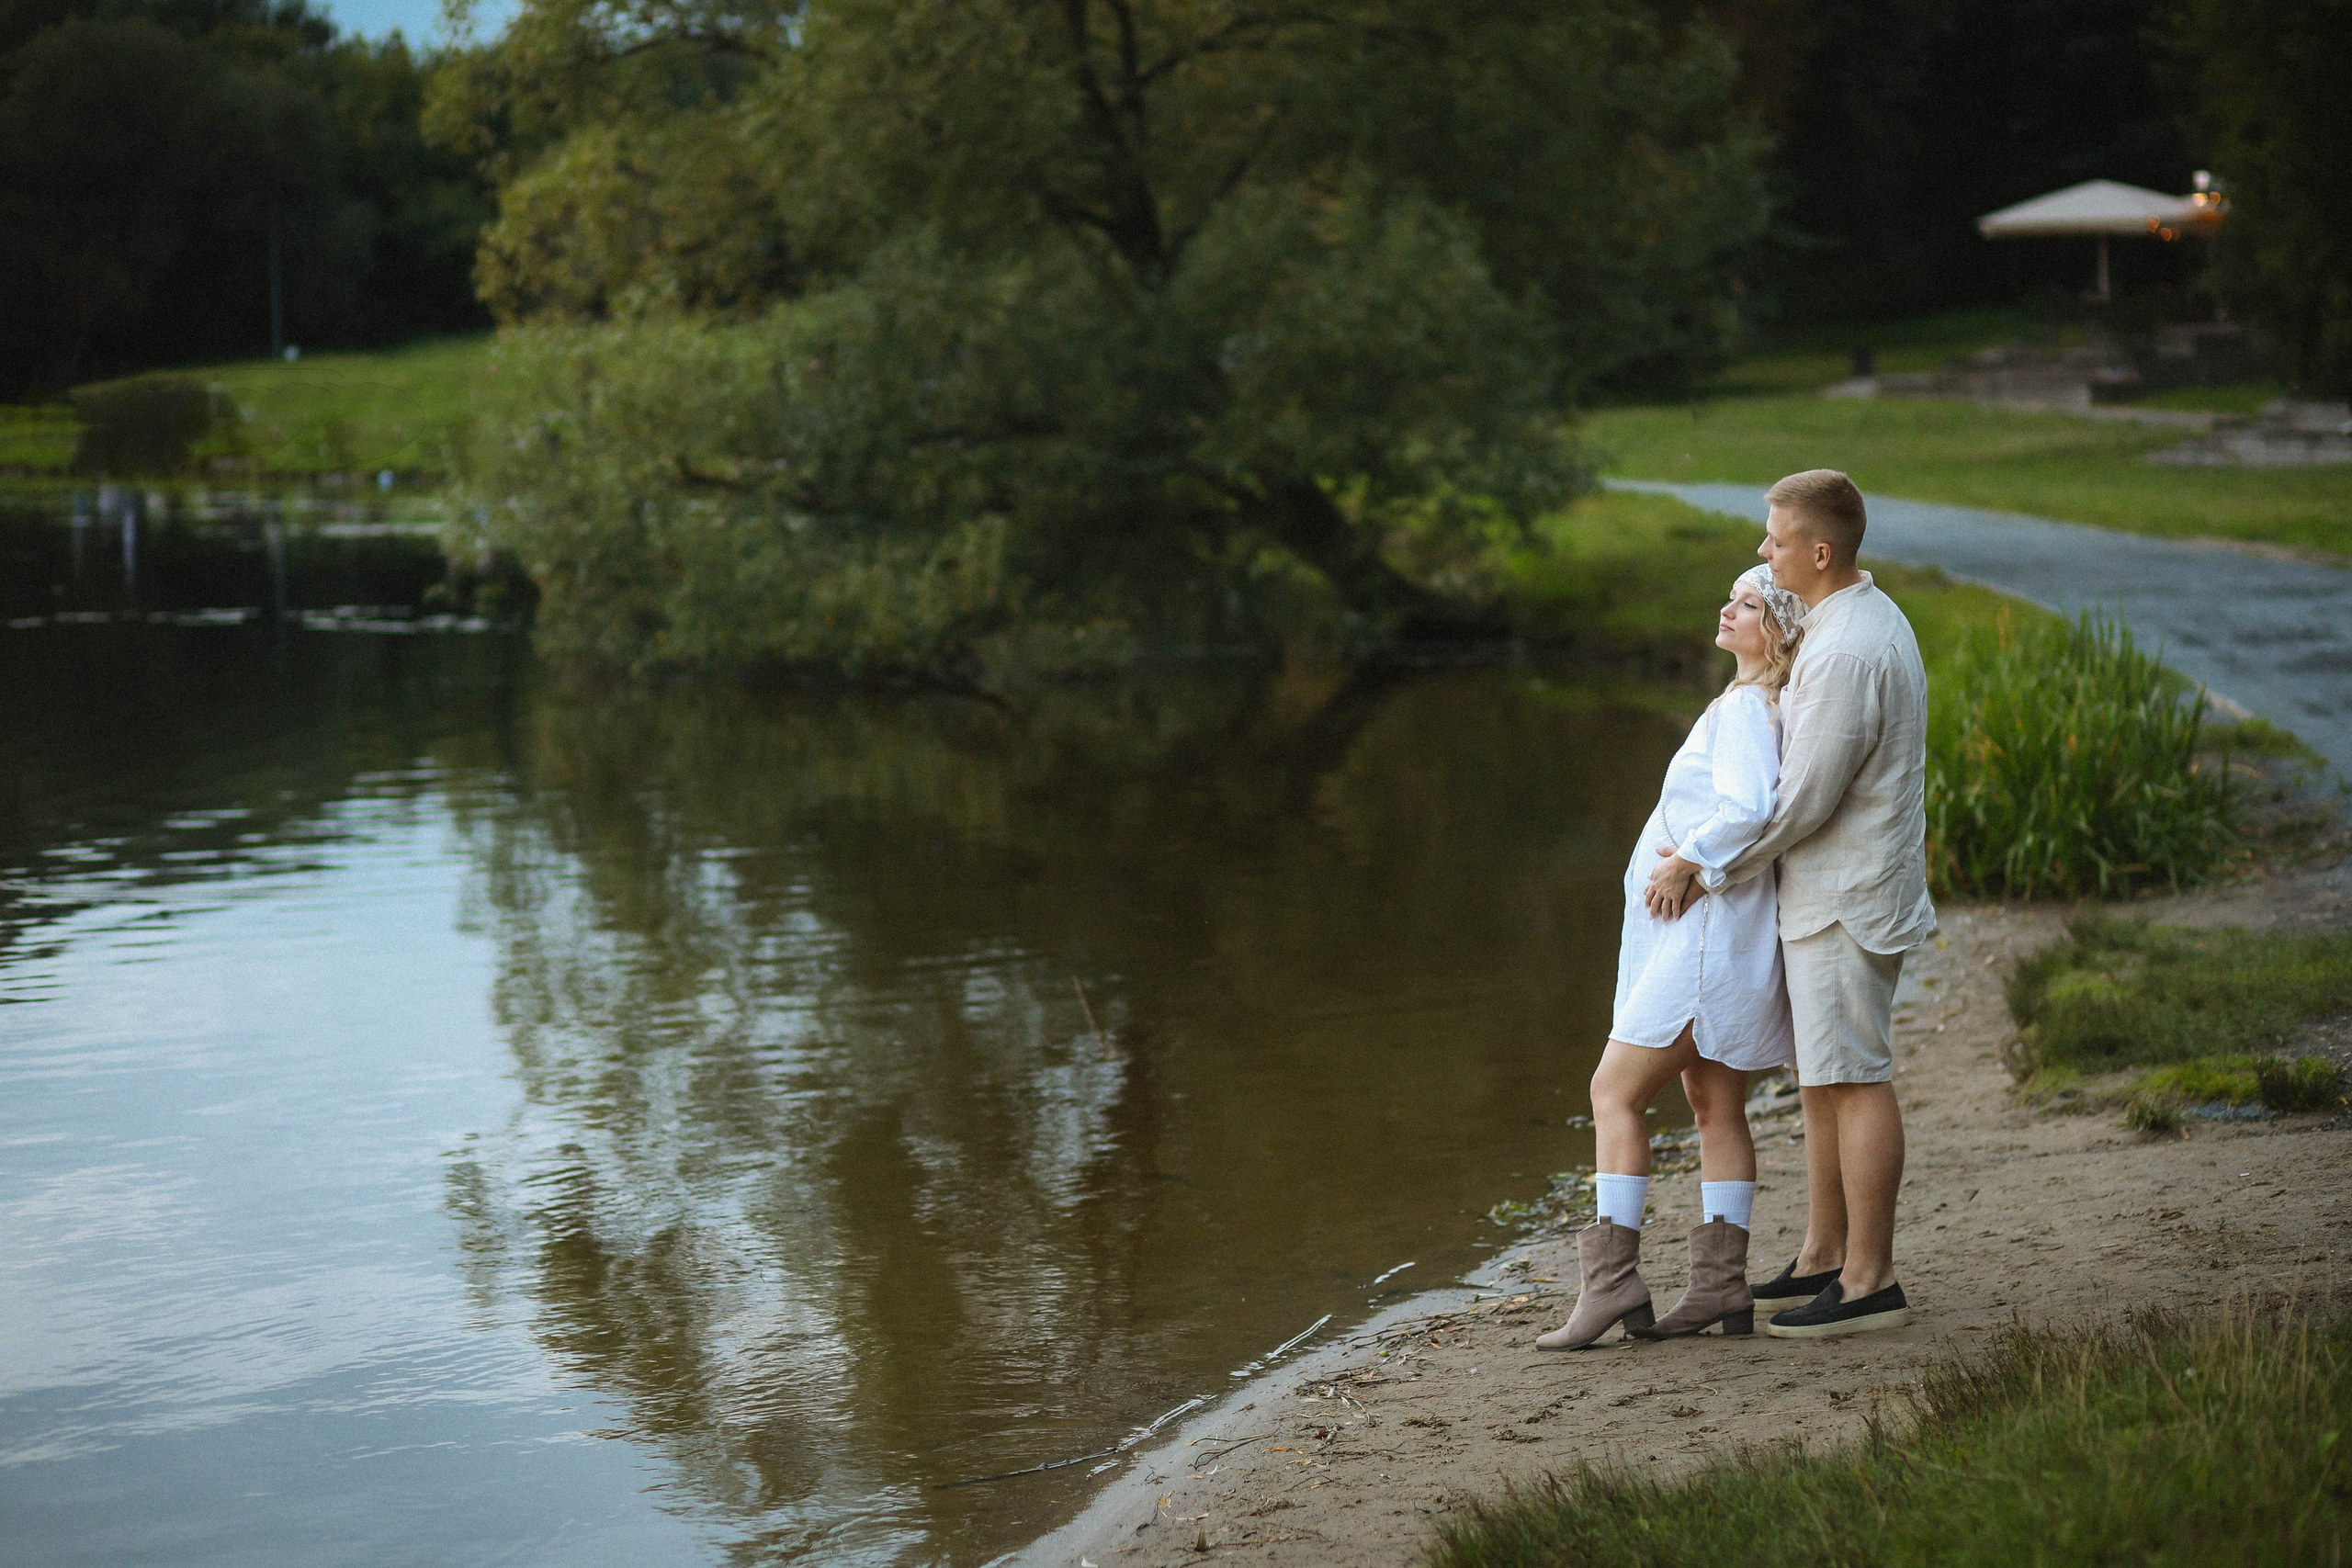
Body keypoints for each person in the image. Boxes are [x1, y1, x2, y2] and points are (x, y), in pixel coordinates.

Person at [1645, 468, 1935, 1340]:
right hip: (1825, 893)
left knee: (1853, 1078)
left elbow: (1804, 798)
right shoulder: (1843, 621)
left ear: (1818, 550)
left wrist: (1706, 866)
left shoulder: (1849, 649)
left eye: (1773, 541)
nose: (1761, 552)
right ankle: (1822, 1254)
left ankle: (1871, 1279)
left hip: (1848, 897)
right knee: (1821, 1083)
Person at [1535, 563, 1808, 1351]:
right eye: (1728, 595)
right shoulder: (1746, 702)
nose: (1727, 608)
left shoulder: (1750, 710)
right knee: (1713, 1103)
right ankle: (1721, 1284)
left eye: (1749, 603)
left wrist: (1686, 859)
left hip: (1703, 948)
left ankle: (1612, 1280)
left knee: (1612, 1092)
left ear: (1780, 629)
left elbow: (1748, 808)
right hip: (1712, 940)